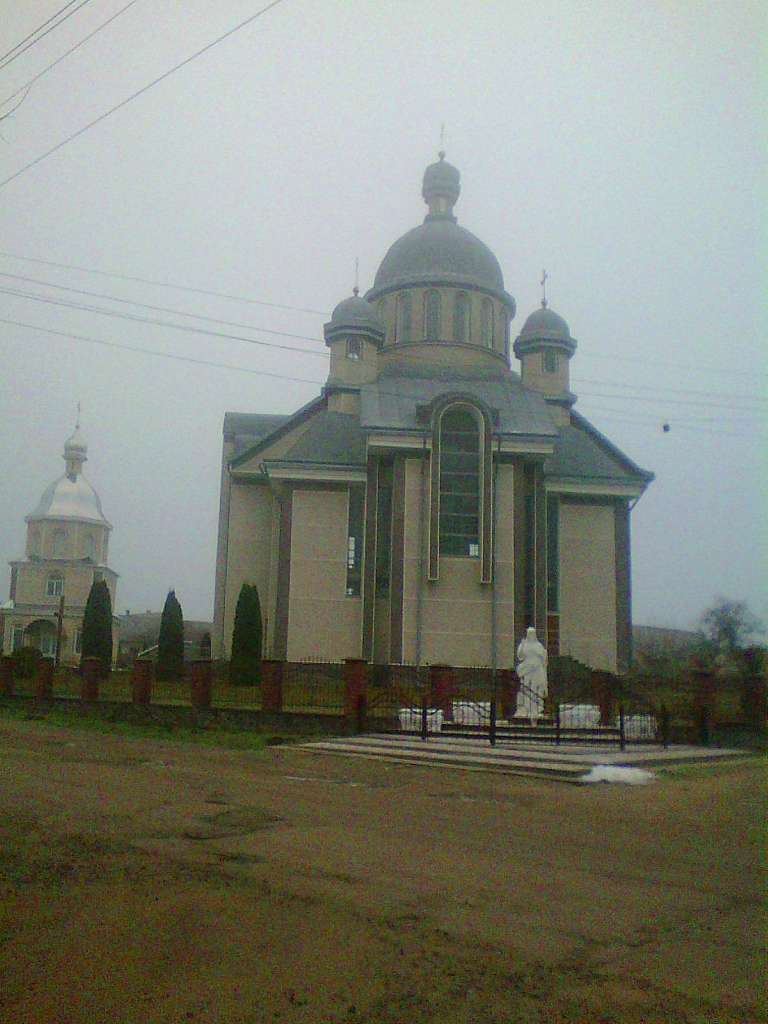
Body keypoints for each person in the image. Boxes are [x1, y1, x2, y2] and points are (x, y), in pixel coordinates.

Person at [516, 627, 548, 724]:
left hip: (537, 670)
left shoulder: (539, 646)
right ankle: (525, 708)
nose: (530, 635)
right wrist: (522, 646)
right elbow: (520, 656)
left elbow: (544, 660)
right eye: (529, 633)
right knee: (526, 689)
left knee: (536, 690)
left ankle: (537, 709)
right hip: (527, 670)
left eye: (532, 633)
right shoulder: (524, 645)